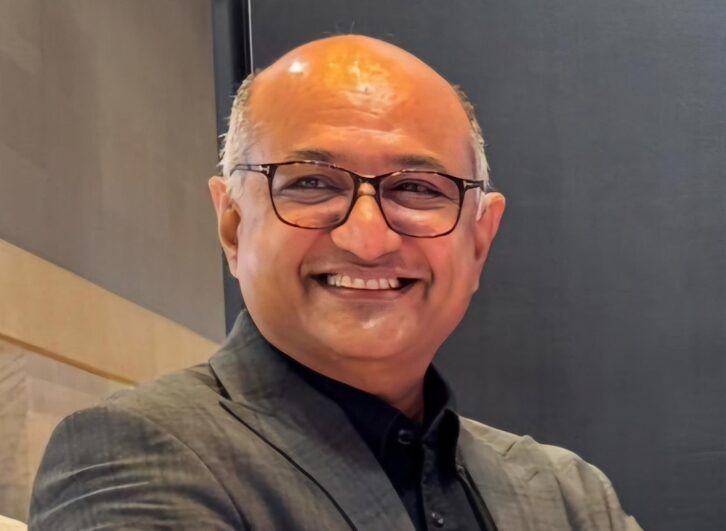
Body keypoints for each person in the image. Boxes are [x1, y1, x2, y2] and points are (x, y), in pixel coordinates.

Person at [29, 35, 641, 530]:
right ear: (233, 226)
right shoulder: (134, 454)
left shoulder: (569, 495)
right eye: (312, 183)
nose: (367, 238)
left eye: (417, 189)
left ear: (479, 239)